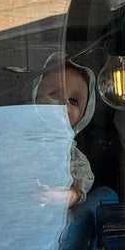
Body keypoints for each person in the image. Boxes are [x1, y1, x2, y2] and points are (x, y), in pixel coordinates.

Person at [33, 53, 96, 205]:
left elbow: (75, 192)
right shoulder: (17, 139)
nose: (64, 103)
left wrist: (54, 197)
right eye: (54, 95)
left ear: (84, 114)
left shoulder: (73, 157)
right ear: (33, 97)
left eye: (74, 101)